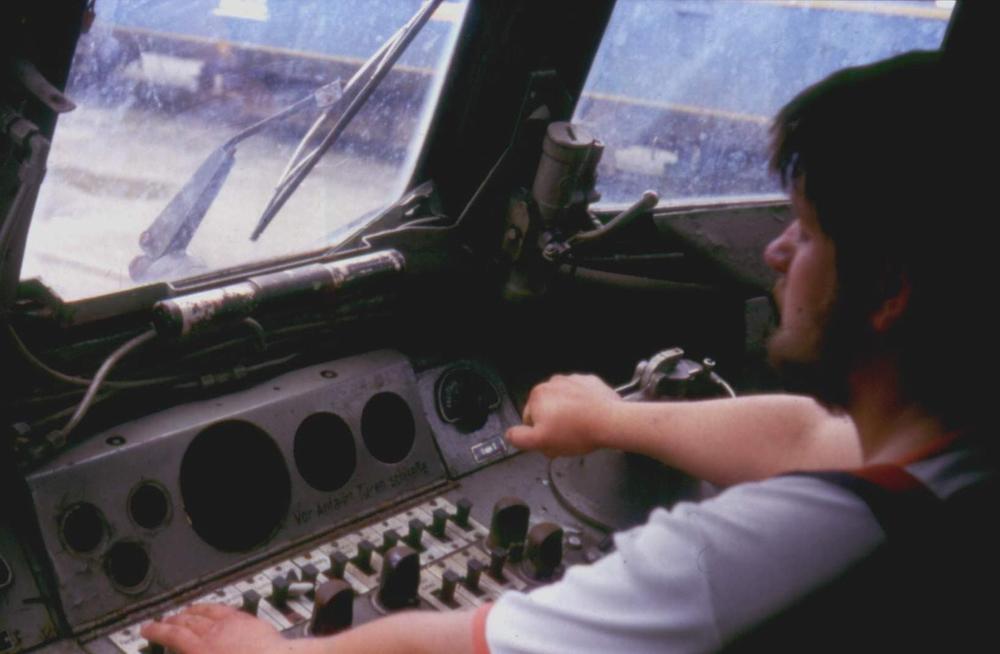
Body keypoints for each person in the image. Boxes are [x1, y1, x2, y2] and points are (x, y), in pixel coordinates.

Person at [142, 49, 993, 653]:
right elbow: (809, 436)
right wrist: (613, 418)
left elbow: (468, 645)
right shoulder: (956, 461)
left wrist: (275, 651)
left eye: (804, 232)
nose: (774, 252)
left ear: (889, 289)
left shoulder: (751, 557)